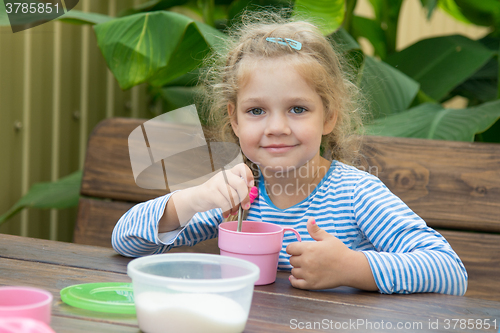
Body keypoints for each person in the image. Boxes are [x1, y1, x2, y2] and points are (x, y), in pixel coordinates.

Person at [112, 12, 467, 295]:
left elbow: (449, 271)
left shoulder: (355, 195)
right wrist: (192, 200)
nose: (277, 127)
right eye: (256, 111)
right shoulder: (240, 195)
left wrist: (353, 268)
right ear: (233, 120)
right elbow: (124, 240)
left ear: (329, 116)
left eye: (297, 109)